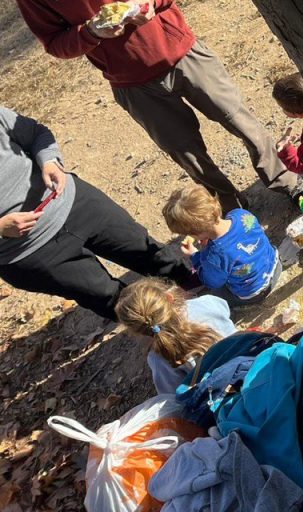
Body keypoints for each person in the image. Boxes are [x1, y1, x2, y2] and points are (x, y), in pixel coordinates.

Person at [0, 0, 300, 211]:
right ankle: (231, 211)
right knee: (188, 155)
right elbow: (54, 42)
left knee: (243, 123)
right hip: (133, 85)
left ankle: (288, 183)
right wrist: (90, 33)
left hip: (184, 54)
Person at [0, 106, 194, 319]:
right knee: (113, 300)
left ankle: (200, 288)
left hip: (75, 203)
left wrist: (49, 161)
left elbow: (36, 133)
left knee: (147, 251)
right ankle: (168, 331)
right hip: (26, 251)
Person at [163, 185, 280, 306]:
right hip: (275, 265)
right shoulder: (240, 214)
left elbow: (211, 282)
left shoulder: (213, 255)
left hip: (255, 292)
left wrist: (195, 255)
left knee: (215, 293)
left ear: (196, 233)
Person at [115, 278, 236, 394]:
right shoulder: (205, 303)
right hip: (242, 357)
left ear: (138, 331)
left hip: (220, 391)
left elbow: (171, 392)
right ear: (169, 297)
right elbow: (224, 308)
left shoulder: (158, 357)